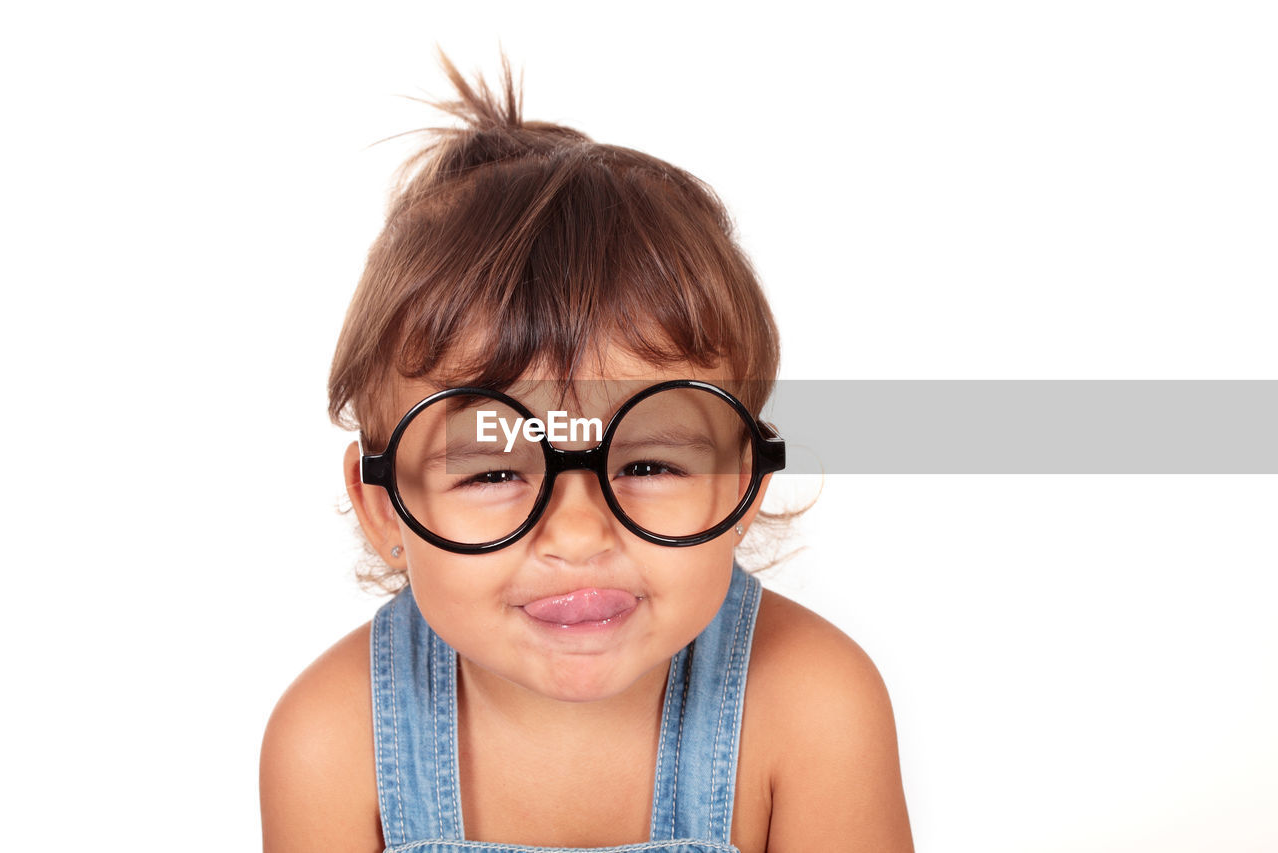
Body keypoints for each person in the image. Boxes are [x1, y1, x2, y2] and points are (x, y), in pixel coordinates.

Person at [259, 55, 913, 853]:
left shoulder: (814, 709)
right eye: (496, 470)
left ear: (740, 483)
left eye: (646, 464)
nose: (578, 534)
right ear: (384, 507)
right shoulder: (330, 744)